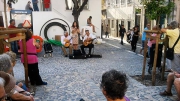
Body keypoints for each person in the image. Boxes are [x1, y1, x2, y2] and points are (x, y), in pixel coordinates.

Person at [159, 21, 180, 100]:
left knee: (175, 72)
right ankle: (168, 91)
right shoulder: (178, 31)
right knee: (172, 73)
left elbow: (162, 30)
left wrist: (167, 27)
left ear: (171, 26)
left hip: (176, 53)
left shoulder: (173, 31)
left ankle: (177, 92)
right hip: (178, 51)